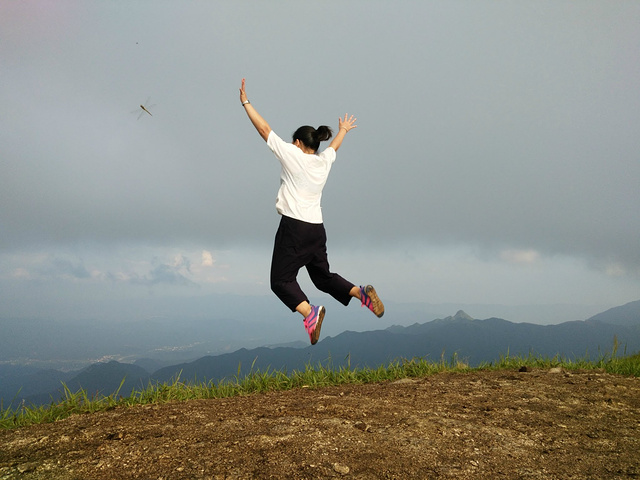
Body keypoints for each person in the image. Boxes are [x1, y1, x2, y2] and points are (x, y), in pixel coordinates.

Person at [239, 78, 384, 345]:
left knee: (280, 281)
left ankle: (310, 312)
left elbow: (264, 130)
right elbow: (333, 148)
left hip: (294, 228)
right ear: (314, 146)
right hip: (317, 230)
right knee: (322, 278)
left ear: (296, 142)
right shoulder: (322, 162)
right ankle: (360, 293)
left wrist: (246, 103)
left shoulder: (291, 154)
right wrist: (343, 130)